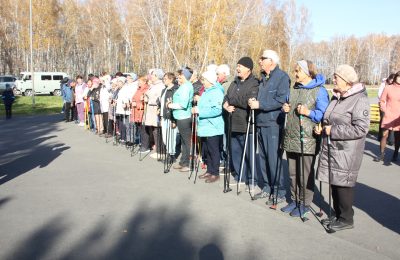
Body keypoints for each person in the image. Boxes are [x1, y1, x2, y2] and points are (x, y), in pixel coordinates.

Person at [315, 64, 369, 231]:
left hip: (347, 151)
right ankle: (338, 215)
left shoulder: (360, 99)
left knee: (343, 185)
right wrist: (322, 127)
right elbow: (329, 118)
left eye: (337, 77)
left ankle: (346, 219)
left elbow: (361, 128)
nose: (334, 79)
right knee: (334, 182)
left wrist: (334, 130)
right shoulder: (337, 96)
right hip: (333, 147)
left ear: (347, 81)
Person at [279, 60, 329, 217]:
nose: (295, 74)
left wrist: (309, 113)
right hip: (291, 135)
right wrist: (285, 108)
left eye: (297, 71)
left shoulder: (319, 91)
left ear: (308, 72)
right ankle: (295, 200)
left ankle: (305, 203)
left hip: (308, 138)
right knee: (293, 172)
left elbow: (324, 113)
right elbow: (287, 104)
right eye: (295, 70)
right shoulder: (293, 89)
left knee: (305, 174)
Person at [248, 50, 291, 204]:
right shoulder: (263, 78)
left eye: (262, 59)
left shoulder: (282, 77)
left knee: (273, 158)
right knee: (264, 158)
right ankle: (267, 187)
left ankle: (279, 190)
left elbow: (280, 101)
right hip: (260, 122)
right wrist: (254, 100)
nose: (259, 61)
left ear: (271, 61)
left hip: (273, 124)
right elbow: (262, 97)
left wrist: (260, 104)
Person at [223, 57, 259, 186]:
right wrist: (225, 105)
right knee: (236, 152)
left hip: (246, 123)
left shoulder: (254, 83)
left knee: (249, 153)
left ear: (248, 69)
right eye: (237, 66)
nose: (237, 68)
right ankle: (240, 176)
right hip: (233, 122)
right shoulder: (234, 82)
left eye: (240, 66)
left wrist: (232, 100)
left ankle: (251, 178)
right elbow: (226, 97)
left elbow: (247, 100)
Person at [194, 71, 225, 183]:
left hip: (213, 126)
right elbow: (206, 105)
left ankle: (215, 173)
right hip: (205, 126)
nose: (203, 82)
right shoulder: (206, 92)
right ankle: (209, 170)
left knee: (213, 150)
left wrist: (200, 111)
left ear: (210, 81)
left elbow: (217, 110)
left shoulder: (216, 92)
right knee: (207, 150)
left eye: (204, 80)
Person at [167, 67, 194, 172]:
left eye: (180, 75)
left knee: (186, 142)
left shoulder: (186, 87)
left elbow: (182, 104)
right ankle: (183, 162)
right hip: (180, 117)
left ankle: (188, 164)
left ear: (185, 76)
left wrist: (170, 105)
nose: (178, 77)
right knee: (183, 141)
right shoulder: (183, 86)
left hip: (184, 117)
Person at [375, 71, 400, 162]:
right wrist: (384, 109)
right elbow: (382, 100)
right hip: (388, 114)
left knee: (397, 137)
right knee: (384, 135)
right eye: (399, 77)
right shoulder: (388, 88)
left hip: (398, 116)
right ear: (395, 77)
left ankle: (396, 153)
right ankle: (381, 154)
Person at [144, 69, 165, 158]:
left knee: (157, 130)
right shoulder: (153, 85)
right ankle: (158, 149)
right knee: (154, 130)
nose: (151, 77)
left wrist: (149, 100)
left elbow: (159, 99)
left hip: (155, 110)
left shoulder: (161, 86)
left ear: (157, 76)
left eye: (153, 75)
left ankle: (161, 152)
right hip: (151, 110)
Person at [160, 72, 179, 161]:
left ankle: (172, 154)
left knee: (171, 136)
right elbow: (161, 101)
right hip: (164, 115)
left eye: (165, 79)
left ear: (171, 79)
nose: (164, 81)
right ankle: (168, 151)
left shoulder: (175, 89)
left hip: (171, 116)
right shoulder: (164, 89)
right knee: (165, 137)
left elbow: (174, 104)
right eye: (163, 79)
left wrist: (174, 120)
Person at [131, 76, 150, 153]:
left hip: (142, 111)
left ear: (145, 82)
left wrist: (140, 104)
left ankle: (145, 146)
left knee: (144, 129)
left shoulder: (146, 89)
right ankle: (142, 143)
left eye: (140, 81)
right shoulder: (138, 89)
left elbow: (145, 100)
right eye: (138, 81)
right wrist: (132, 102)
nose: (138, 82)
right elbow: (134, 98)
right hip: (136, 111)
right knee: (140, 128)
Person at [377, 75, 395, 144]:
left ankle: (390, 139)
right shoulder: (383, 84)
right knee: (383, 121)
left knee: (392, 122)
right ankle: (381, 136)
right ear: (389, 79)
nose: (392, 81)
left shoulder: (393, 85)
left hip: (391, 106)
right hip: (384, 105)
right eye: (391, 80)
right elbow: (379, 95)